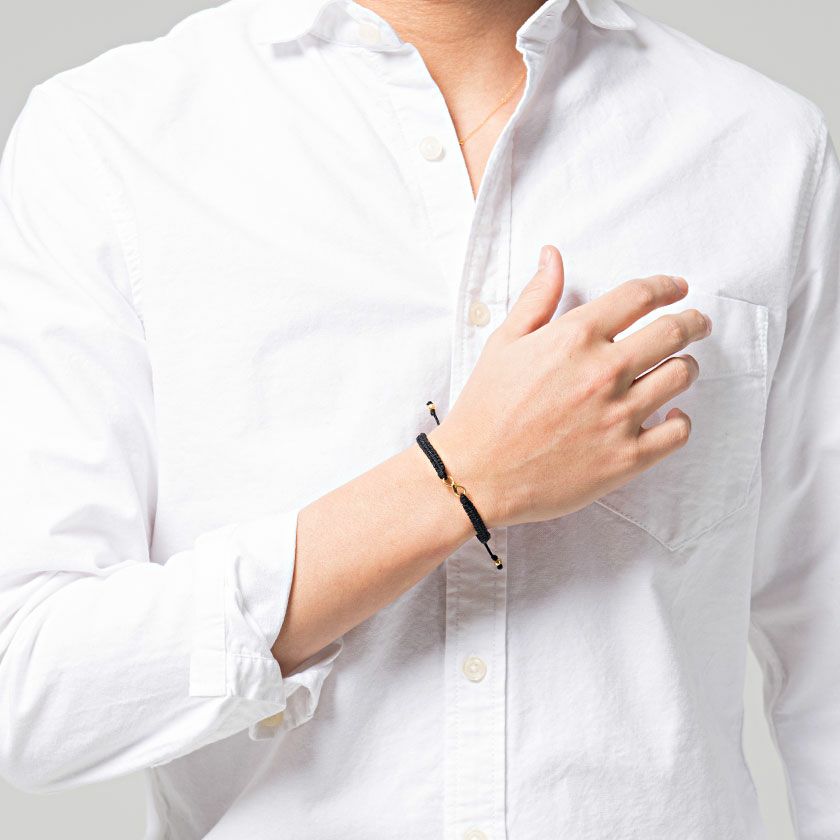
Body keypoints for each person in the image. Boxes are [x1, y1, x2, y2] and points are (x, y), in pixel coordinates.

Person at [0, 0, 837, 837]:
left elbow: (826, 660)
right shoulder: (109, 142)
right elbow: (29, 689)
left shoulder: (764, 149)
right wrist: (457, 481)